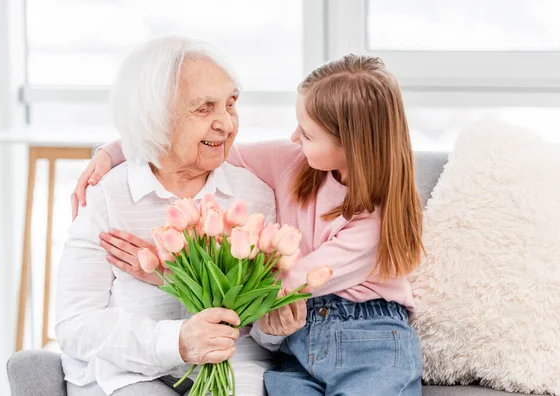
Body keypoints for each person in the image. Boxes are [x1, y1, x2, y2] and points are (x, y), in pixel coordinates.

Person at [74, 55, 424, 395]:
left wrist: (170, 273)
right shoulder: (295, 161)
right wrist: (113, 151)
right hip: (299, 343)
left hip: (370, 339)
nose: (293, 138)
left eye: (306, 133)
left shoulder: (372, 226)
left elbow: (282, 285)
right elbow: (204, 148)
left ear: (351, 144)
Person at [57, 36, 306, 396]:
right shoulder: (106, 197)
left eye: (231, 104)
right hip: (128, 371)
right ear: (155, 117)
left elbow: (259, 333)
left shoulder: (253, 194)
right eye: (205, 109)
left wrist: (275, 324)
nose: (226, 123)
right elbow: (75, 323)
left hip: (233, 365)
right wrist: (177, 342)